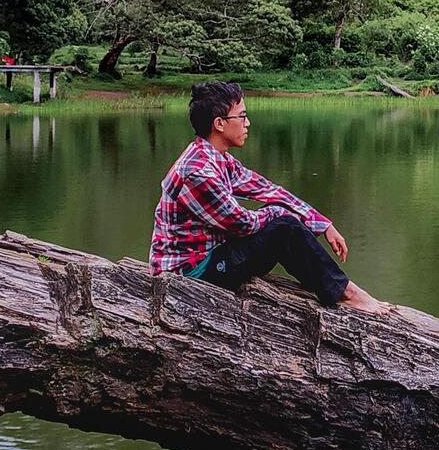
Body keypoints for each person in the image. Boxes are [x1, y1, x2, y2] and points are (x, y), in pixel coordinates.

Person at [151, 81, 385, 313]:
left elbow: (266, 189)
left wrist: (321, 223)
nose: (247, 123)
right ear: (219, 124)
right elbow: (244, 224)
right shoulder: (198, 172)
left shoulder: (215, 157)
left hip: (210, 256)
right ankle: (344, 293)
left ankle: (340, 288)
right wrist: (281, 213)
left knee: (282, 222)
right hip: (190, 273)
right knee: (283, 228)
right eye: (241, 117)